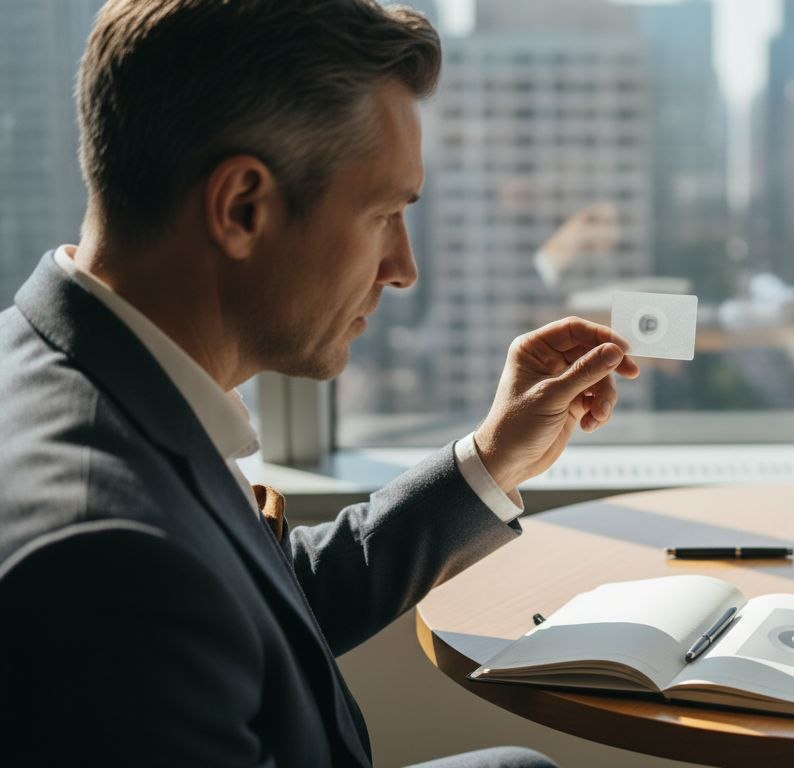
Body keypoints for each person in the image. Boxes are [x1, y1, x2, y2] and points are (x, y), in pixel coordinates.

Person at [0, 1, 640, 765]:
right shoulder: (105, 561)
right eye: (383, 215)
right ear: (242, 207)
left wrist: (492, 458)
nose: (403, 269)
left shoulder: (84, 369)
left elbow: (255, 605)